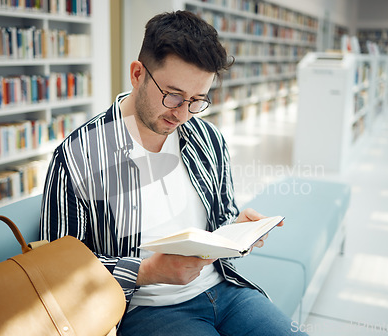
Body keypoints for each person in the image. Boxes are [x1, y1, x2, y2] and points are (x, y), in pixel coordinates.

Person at [40, 10, 306, 336]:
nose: (182, 113)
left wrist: (236, 232)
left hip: (224, 288)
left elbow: (219, 218)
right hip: (145, 308)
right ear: (138, 74)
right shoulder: (78, 156)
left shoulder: (207, 139)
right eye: (173, 95)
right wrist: (146, 271)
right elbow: (59, 272)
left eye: (197, 100)